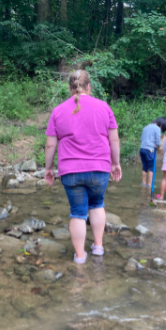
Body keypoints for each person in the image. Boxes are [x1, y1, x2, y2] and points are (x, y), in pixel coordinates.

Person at [45, 69, 122, 265]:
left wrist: (48, 168)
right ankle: (98, 247)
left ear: (70, 88)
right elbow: (113, 139)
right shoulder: (104, 107)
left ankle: (79, 256)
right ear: (89, 87)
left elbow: (50, 144)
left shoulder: (58, 111)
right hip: (99, 168)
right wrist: (115, 163)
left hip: (70, 170)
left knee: (78, 212)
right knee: (97, 204)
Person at [140, 117, 166, 188]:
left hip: (142, 149)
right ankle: (149, 185)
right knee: (152, 167)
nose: (161, 130)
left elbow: (142, 138)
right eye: (162, 128)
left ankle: (143, 183)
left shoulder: (145, 127)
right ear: (161, 125)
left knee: (145, 166)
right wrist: (158, 146)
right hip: (150, 150)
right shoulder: (157, 128)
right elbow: (158, 141)